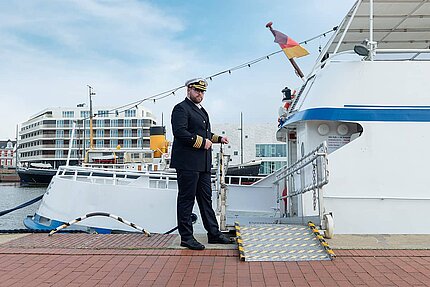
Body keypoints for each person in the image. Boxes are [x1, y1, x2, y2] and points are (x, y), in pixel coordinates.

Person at [170, 77, 232, 250]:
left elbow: (204, 132)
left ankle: (213, 234)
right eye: (197, 90)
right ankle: (187, 238)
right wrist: (201, 142)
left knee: (206, 200)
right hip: (188, 163)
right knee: (186, 200)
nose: (200, 94)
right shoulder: (181, 108)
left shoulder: (201, 110)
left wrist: (218, 138)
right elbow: (180, 132)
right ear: (188, 90)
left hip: (203, 164)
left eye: (202, 91)